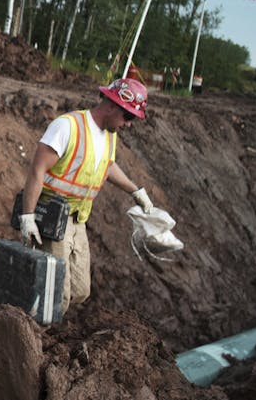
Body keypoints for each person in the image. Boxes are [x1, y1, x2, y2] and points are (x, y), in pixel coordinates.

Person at [13, 76, 167, 315]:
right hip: (53, 218)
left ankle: (38, 313)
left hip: (78, 220)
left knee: (81, 289)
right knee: (56, 296)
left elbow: (107, 165)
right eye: (128, 117)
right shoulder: (68, 127)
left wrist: (136, 190)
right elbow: (38, 169)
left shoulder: (108, 135)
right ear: (112, 105)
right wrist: (27, 217)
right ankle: (37, 335)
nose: (128, 124)